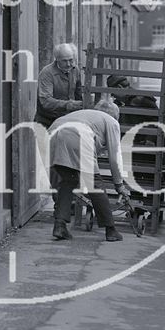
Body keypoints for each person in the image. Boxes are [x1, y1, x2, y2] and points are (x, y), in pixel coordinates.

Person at [48, 99, 128, 242]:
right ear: (116, 116)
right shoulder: (111, 121)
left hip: (52, 133)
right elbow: (114, 157)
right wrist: (119, 184)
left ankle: (59, 225)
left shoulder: (86, 115)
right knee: (95, 185)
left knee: (67, 182)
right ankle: (111, 229)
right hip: (78, 136)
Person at [34, 43, 83, 129]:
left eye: (71, 60)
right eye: (64, 61)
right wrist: (68, 105)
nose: (68, 64)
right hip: (47, 121)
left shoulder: (75, 70)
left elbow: (78, 95)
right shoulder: (47, 73)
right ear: (57, 59)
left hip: (66, 120)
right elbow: (45, 101)